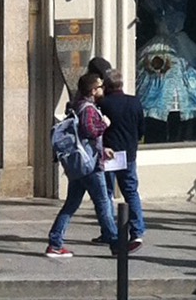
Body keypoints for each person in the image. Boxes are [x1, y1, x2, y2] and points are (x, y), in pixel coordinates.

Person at [46, 72, 117, 258]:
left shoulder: (78, 106)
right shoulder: (88, 109)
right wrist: (104, 124)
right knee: (103, 204)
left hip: (82, 164)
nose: (103, 89)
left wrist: (103, 150)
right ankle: (116, 242)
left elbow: (82, 139)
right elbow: (89, 131)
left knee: (71, 205)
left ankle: (55, 243)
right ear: (93, 90)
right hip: (91, 167)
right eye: (100, 86)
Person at [99, 70, 146, 250]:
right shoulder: (134, 102)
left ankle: (110, 232)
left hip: (109, 153)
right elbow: (141, 128)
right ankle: (137, 231)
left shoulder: (103, 103)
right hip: (129, 153)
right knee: (131, 192)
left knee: (106, 194)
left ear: (107, 85)